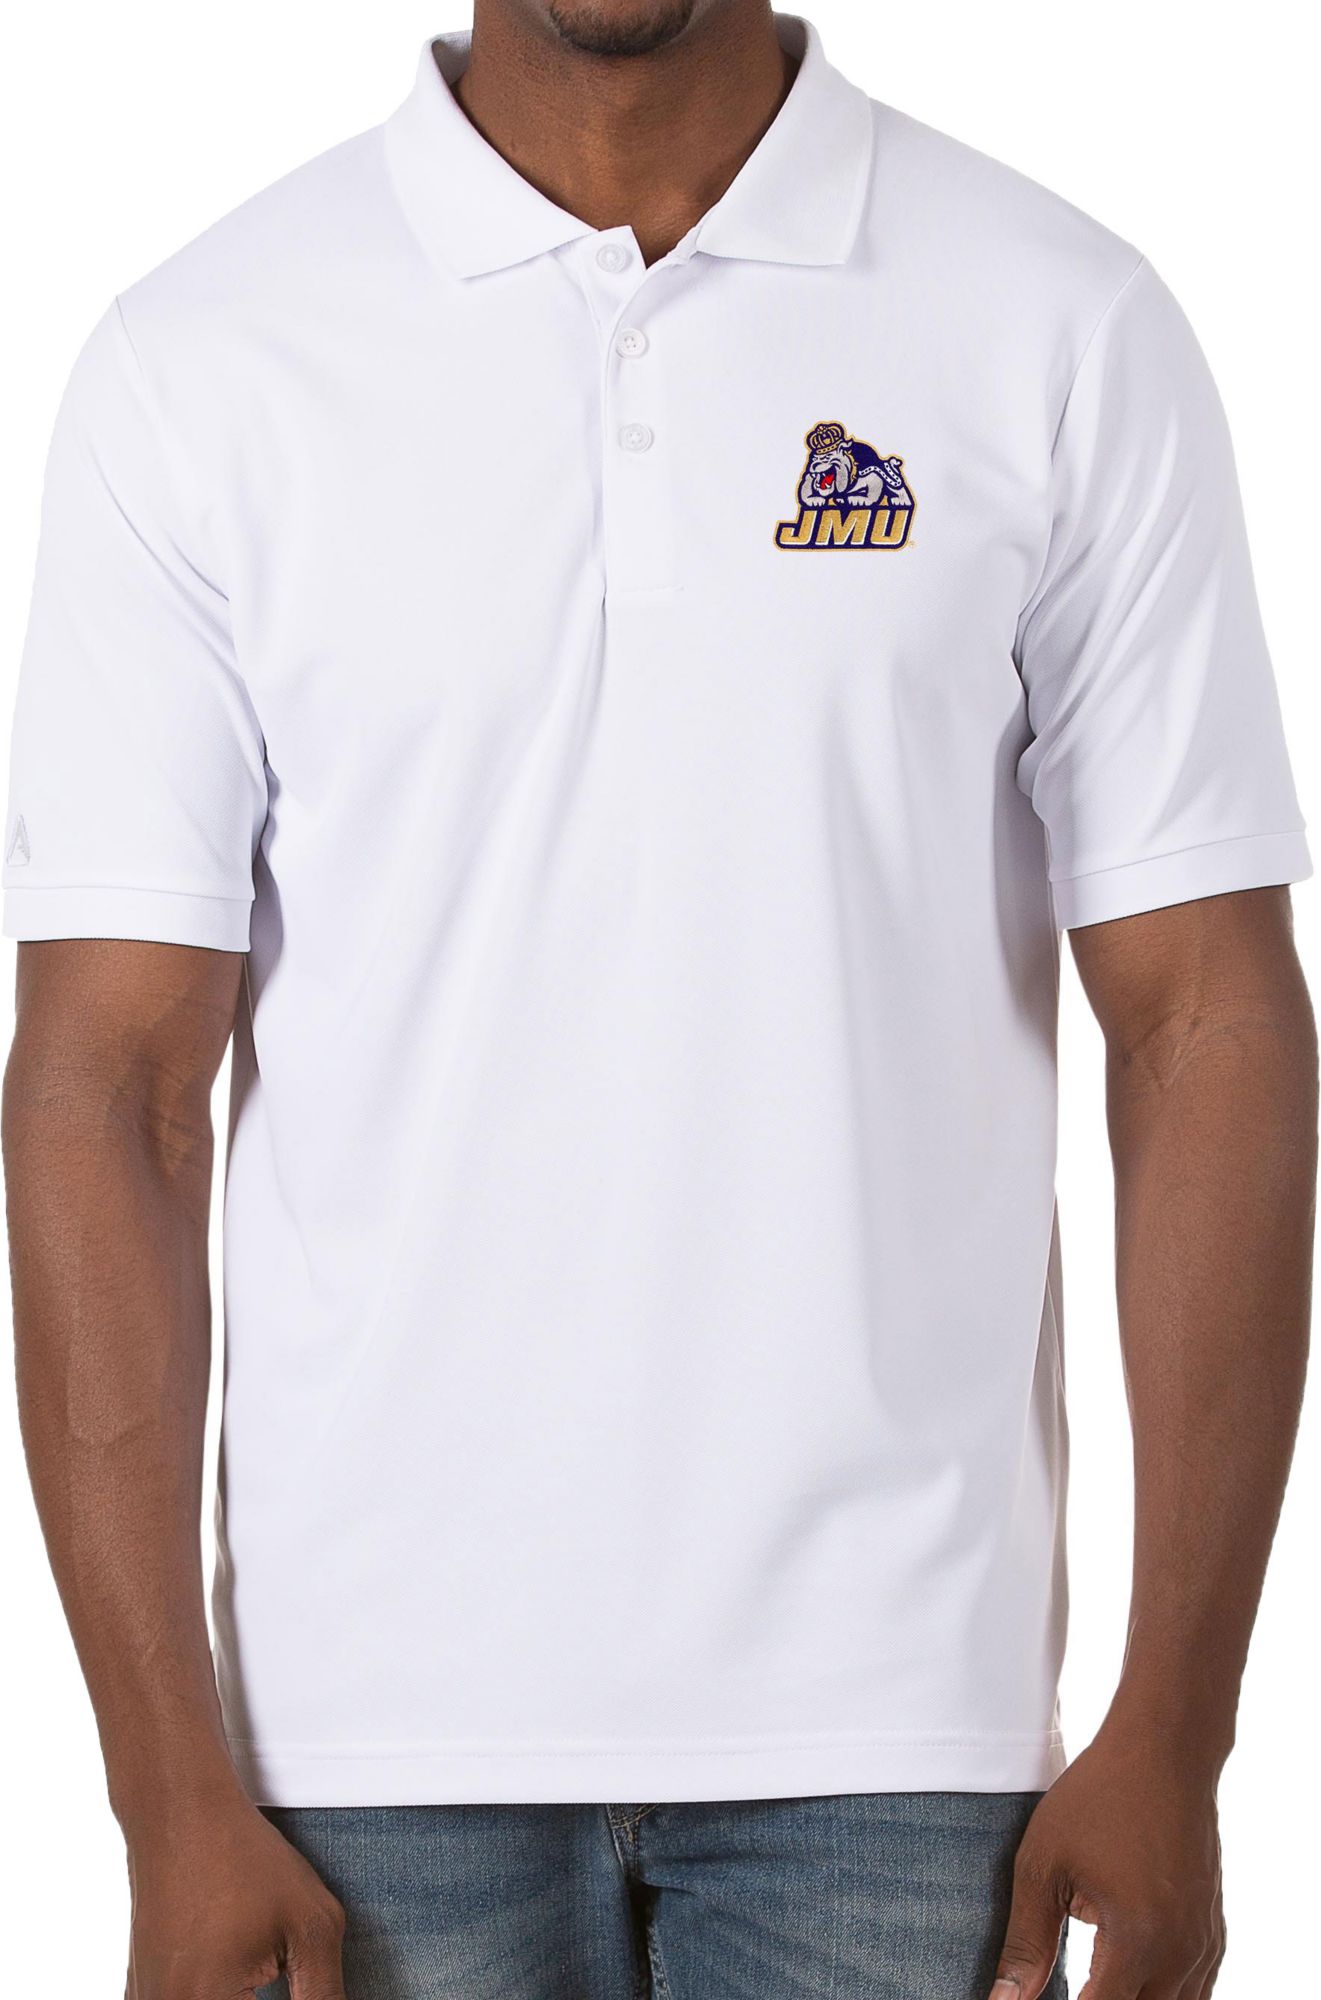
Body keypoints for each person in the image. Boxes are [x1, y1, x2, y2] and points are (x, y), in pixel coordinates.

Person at [3, 4, 1313, 1996]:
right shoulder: (201, 360)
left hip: (899, 1732)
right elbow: (107, 1086)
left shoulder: (1056, 320)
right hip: (357, 1750)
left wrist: (1178, 1730)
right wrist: (160, 1786)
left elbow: (1203, 1023)